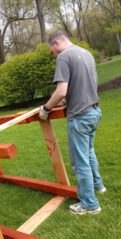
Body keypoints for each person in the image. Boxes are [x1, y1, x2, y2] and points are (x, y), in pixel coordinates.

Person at [39, 30, 106, 215]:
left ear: (56, 44)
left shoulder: (63, 57)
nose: (54, 55)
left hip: (80, 116)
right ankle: (99, 186)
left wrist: (45, 109)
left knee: (80, 162)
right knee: (89, 152)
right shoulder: (86, 53)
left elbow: (61, 91)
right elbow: (84, 85)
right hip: (94, 111)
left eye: (52, 51)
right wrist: (66, 100)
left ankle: (89, 205)